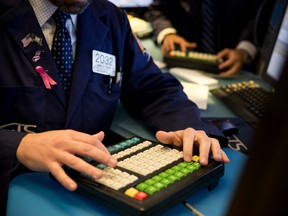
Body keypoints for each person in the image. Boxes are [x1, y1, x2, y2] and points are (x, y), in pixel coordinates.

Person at [0, 0, 230, 214]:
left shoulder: (111, 17)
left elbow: (153, 88)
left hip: (92, 189)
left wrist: (187, 128)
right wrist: (18, 145)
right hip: (16, 187)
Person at [145, 0, 263, 76]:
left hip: (238, 71)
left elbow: (264, 17)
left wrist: (244, 51)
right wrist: (168, 34)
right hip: (187, 64)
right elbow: (157, 9)